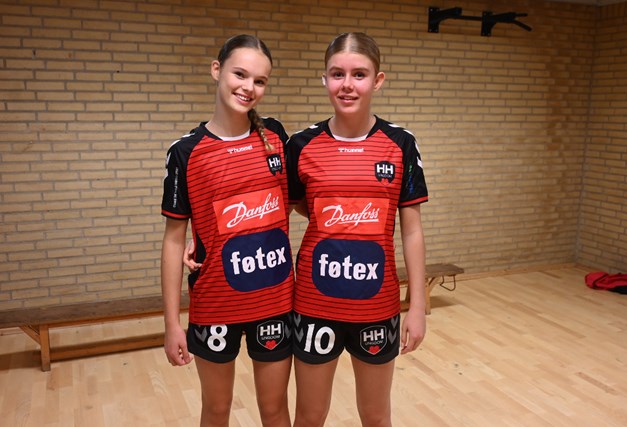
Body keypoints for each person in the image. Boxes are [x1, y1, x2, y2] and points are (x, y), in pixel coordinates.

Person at [286, 32, 428, 426]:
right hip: (314, 303)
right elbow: (293, 206)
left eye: (359, 74)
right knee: (309, 416)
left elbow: (412, 231)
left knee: (376, 416)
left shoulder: (400, 143)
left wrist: (417, 307)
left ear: (377, 80)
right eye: (337, 74)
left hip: (377, 306)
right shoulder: (302, 144)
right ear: (325, 79)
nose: (347, 84)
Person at [161, 34, 294, 427]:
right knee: (217, 410)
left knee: (275, 410)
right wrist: (171, 323)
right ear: (216, 70)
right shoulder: (186, 152)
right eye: (240, 74)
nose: (248, 87)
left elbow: (289, 200)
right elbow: (173, 240)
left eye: (260, 80)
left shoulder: (276, 136)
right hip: (215, 303)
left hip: (274, 299)